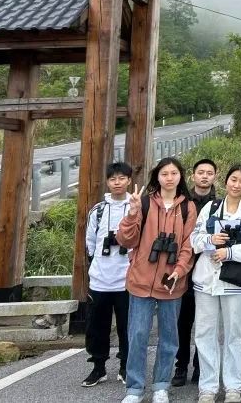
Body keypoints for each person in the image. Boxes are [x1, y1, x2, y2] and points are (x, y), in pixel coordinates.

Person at [116, 157, 199, 403]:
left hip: (171, 282)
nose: (169, 178)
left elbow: (188, 245)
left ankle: (161, 385)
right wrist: (132, 213)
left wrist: (180, 270)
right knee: (138, 335)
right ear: (157, 177)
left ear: (181, 176)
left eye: (174, 173)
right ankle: (134, 388)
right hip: (141, 280)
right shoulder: (144, 203)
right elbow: (126, 240)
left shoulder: (188, 207)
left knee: (169, 338)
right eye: (164, 173)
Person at [191, 164, 241, 403]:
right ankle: (208, 387)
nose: (237, 185)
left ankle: (233, 386)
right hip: (206, 280)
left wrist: (229, 252)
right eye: (233, 179)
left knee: (235, 334)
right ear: (225, 182)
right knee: (204, 333)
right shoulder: (210, 208)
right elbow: (194, 239)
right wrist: (211, 239)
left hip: (235, 282)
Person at [82, 161, 134, 388]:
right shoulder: (98, 210)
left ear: (129, 180)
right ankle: (98, 367)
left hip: (127, 279)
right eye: (113, 179)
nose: (117, 183)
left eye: (122, 178)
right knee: (96, 326)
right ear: (107, 182)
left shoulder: (136, 207)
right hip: (100, 279)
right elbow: (90, 243)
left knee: (127, 326)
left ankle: (125, 366)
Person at [175, 158, 219, 388]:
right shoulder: (182, 202)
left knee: (207, 322)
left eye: (209, 173)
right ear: (193, 176)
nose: (205, 176)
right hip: (184, 267)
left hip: (209, 267)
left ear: (215, 177)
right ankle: (180, 365)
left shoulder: (220, 204)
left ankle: (201, 365)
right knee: (183, 321)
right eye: (201, 172)